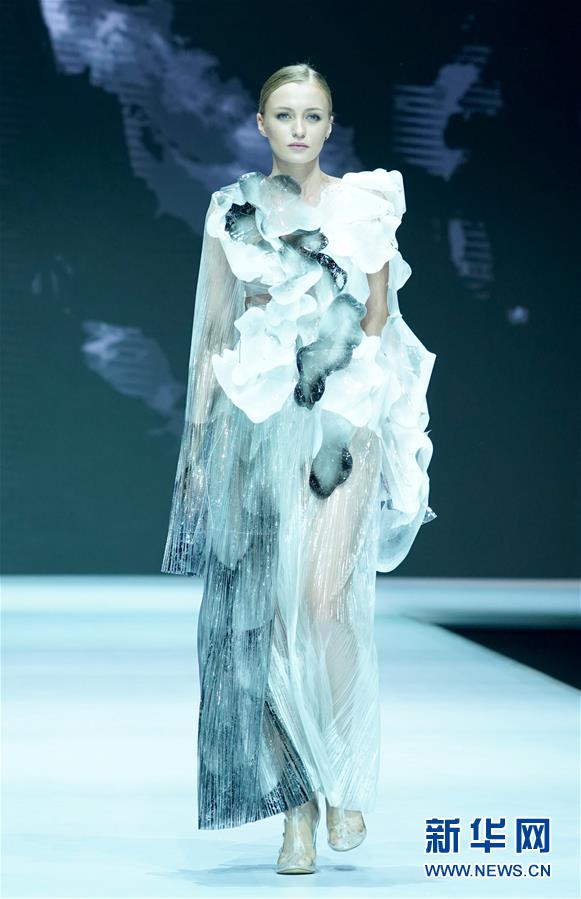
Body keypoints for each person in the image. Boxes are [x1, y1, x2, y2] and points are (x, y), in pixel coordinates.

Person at [161, 61, 437, 875]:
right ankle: (297, 812)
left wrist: (383, 428)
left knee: (325, 604)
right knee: (269, 618)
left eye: (312, 115)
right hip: (257, 426)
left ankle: (341, 774)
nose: (298, 129)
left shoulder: (366, 207)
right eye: (284, 115)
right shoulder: (233, 209)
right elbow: (214, 333)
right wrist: (197, 449)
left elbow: (380, 320)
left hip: (342, 426)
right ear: (260, 123)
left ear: (329, 124)